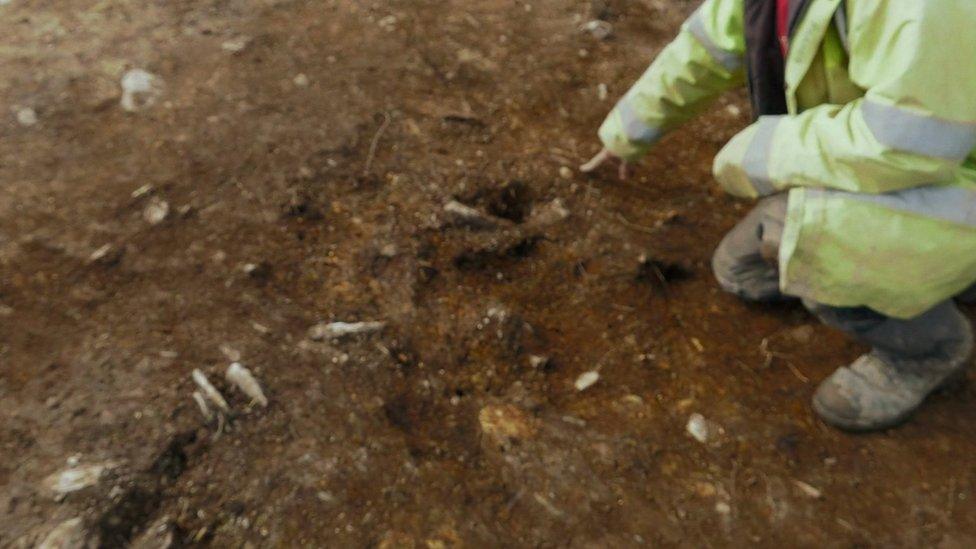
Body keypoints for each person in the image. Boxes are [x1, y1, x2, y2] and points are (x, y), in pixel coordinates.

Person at [581, 0, 976, 431]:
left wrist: (764, 152)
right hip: (900, 163)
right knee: (742, 270)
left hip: (950, 176)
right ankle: (929, 270)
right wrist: (629, 130)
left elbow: (911, 142)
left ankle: (927, 349)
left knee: (808, 239)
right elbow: (711, 44)